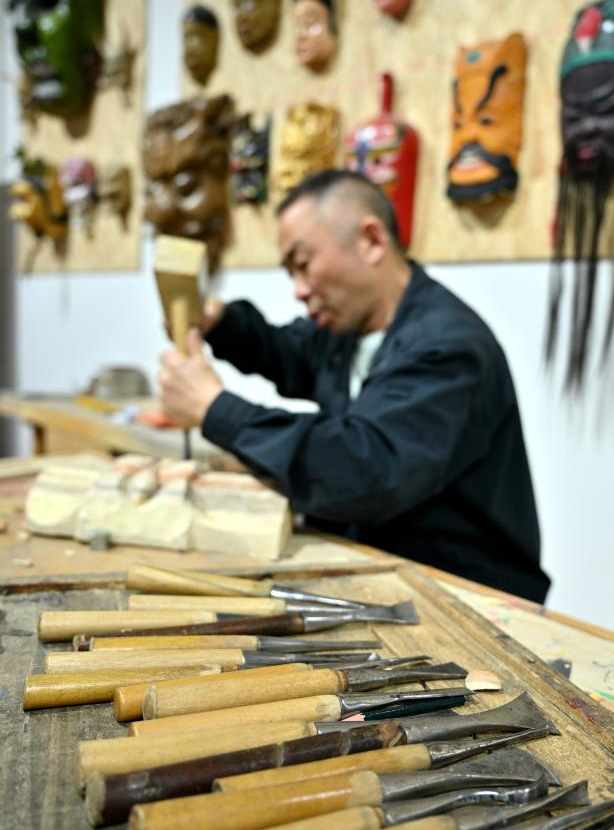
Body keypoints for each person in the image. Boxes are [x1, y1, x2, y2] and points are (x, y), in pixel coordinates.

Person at [159, 169, 549, 603]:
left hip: (465, 594)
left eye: (304, 265)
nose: (299, 291)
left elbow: (362, 469)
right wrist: (220, 322)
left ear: (371, 241)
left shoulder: (448, 349)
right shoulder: (347, 330)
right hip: (384, 570)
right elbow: (286, 350)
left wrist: (214, 408)